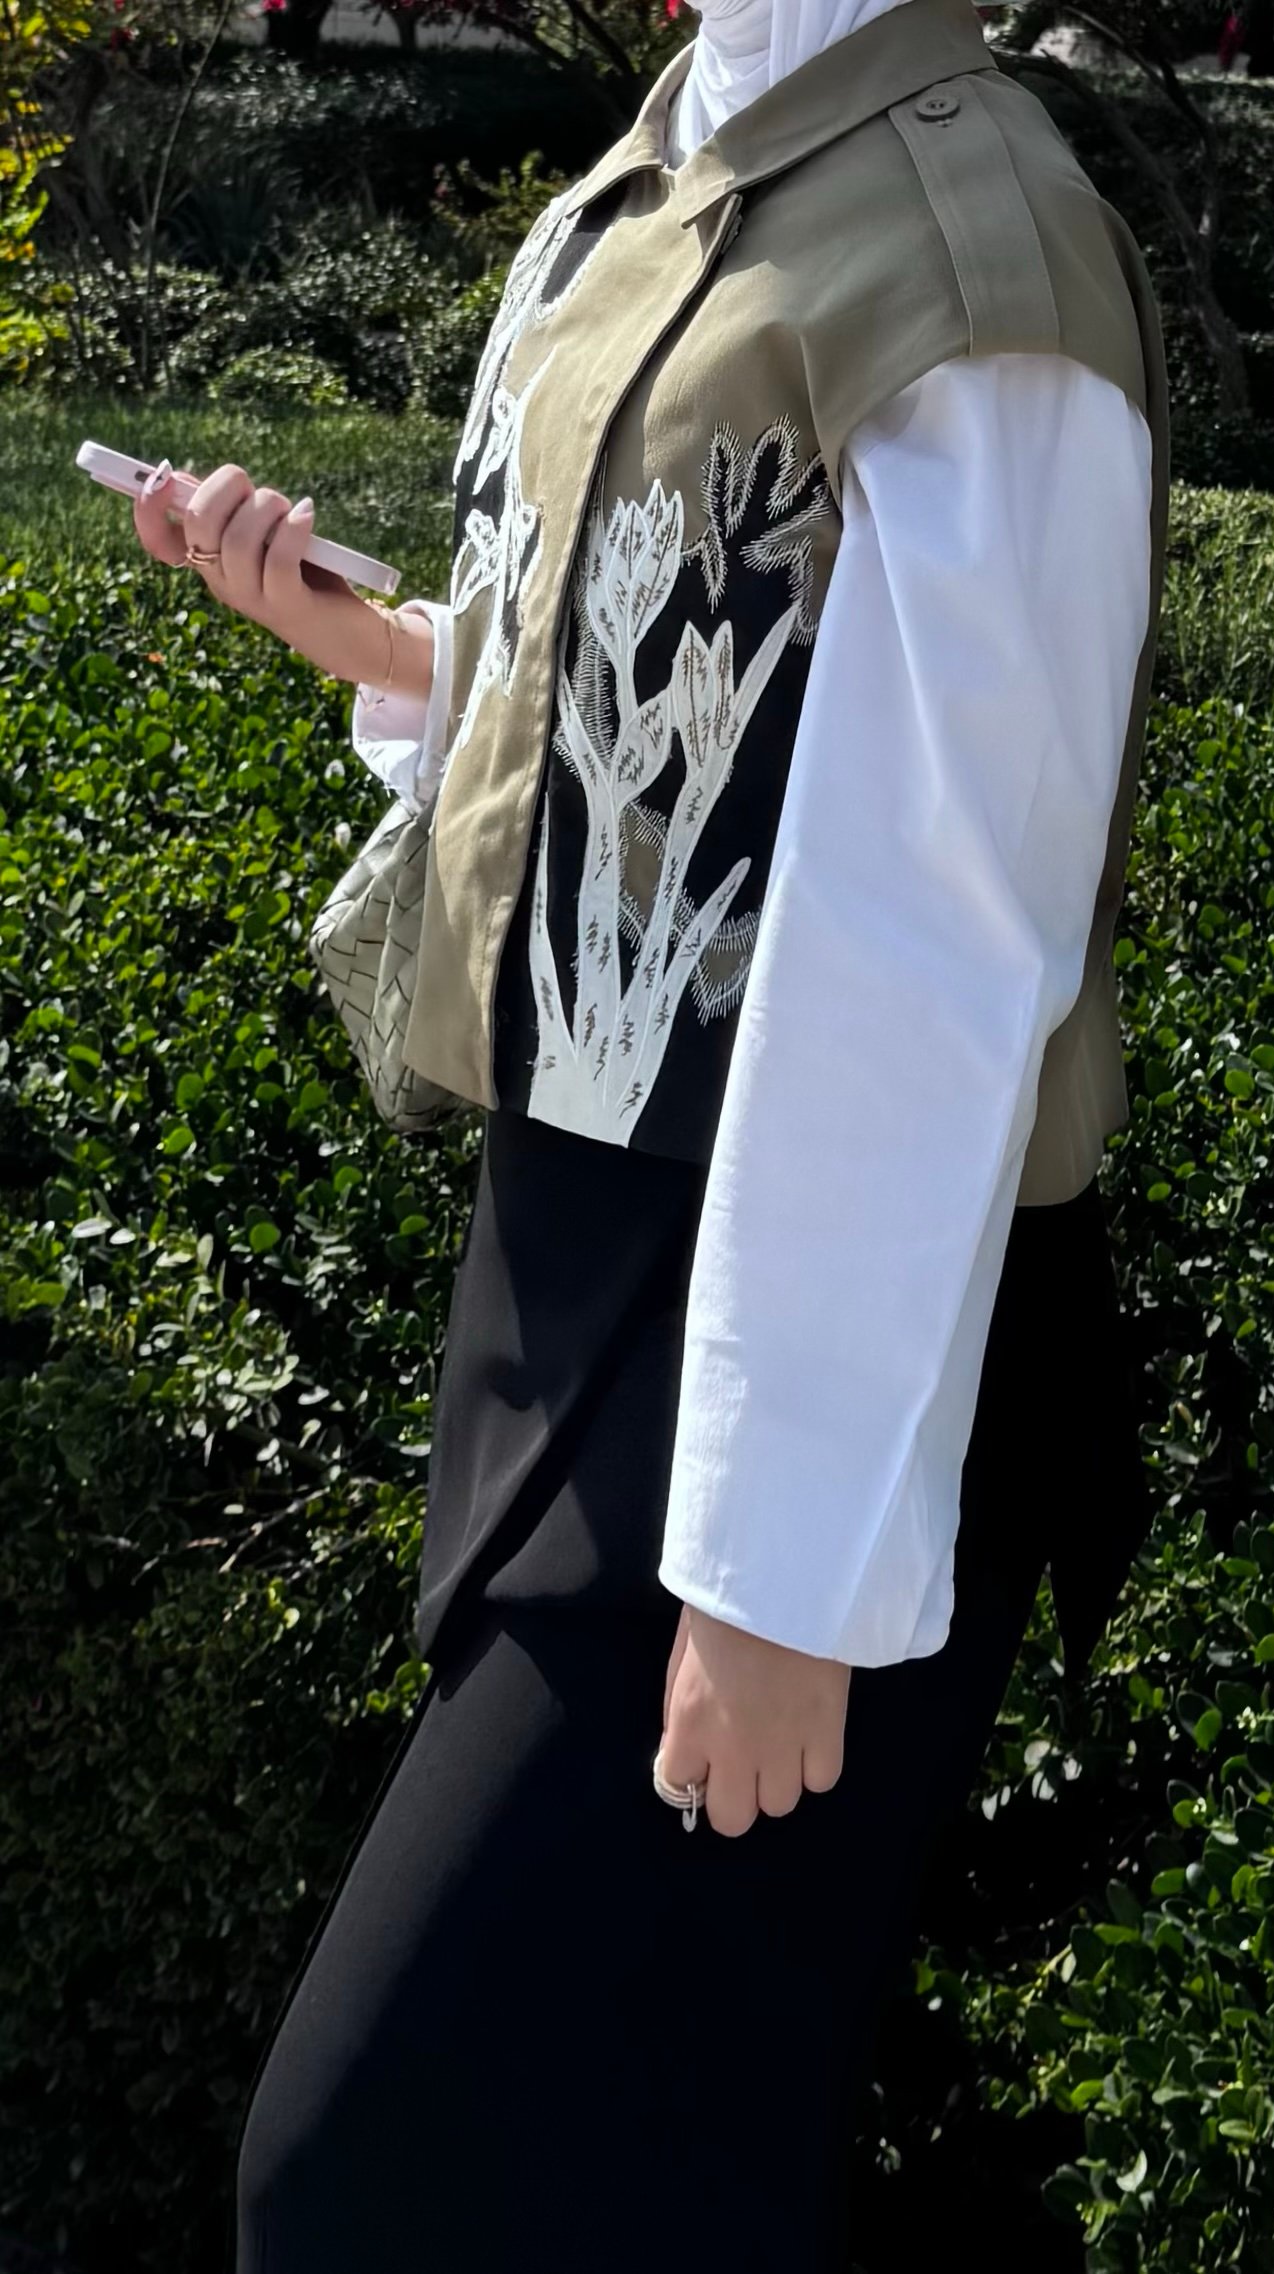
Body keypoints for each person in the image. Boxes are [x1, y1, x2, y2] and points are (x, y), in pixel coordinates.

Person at [134, 1, 1168, 2265]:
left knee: (373, 2175)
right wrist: (383, 654)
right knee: (648, 2175)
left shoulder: (972, 255)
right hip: (580, 1279)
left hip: (810, 1355)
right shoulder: (663, 168)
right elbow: (657, 723)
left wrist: (785, 1571)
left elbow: (934, 935)